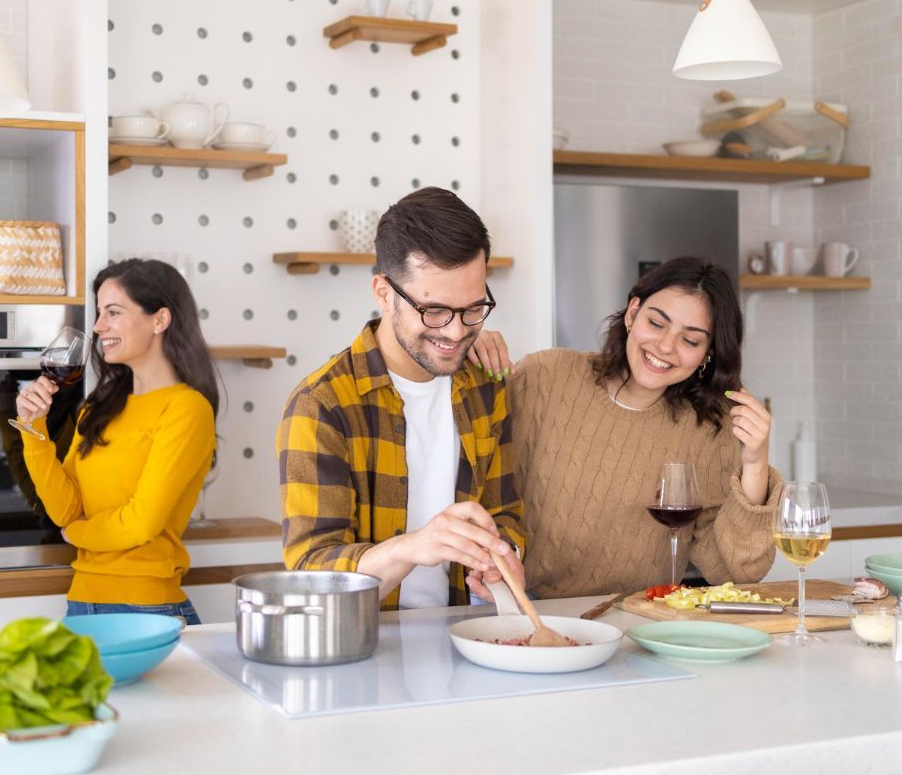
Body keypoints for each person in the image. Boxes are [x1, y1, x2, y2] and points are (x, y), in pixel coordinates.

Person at [470, 257, 779, 599]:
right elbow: (464, 462)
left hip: (635, 623)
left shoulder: (707, 428)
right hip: (520, 611)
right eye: (657, 323)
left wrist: (755, 463)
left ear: (708, 352)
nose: (665, 347)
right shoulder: (545, 376)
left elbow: (734, 571)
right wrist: (468, 348)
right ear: (632, 313)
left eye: (690, 341)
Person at [277, 187, 526, 609]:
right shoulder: (323, 404)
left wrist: (503, 556)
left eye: (472, 309)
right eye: (433, 311)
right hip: (365, 647)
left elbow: (506, 513)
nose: (454, 332)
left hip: (464, 638)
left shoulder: (487, 388)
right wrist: (413, 547)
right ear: (384, 292)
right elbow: (310, 570)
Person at [16, 259, 218, 625]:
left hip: (147, 609)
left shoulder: (186, 409)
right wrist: (34, 429)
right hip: (81, 604)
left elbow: (140, 523)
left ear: (160, 320)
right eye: (98, 313)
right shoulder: (99, 407)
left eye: (113, 312)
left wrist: (76, 533)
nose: (97, 327)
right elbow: (64, 510)